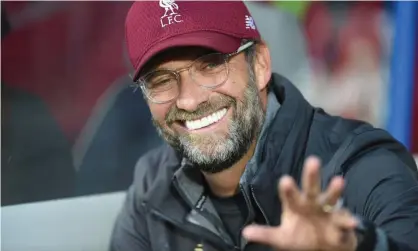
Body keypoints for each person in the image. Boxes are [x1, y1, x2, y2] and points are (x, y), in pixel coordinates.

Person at [110, 1, 418, 251]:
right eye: (161, 81)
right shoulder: (153, 187)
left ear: (260, 65)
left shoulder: (363, 166)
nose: (189, 101)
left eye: (211, 65)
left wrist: (357, 246)